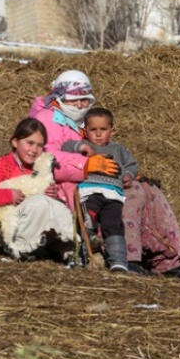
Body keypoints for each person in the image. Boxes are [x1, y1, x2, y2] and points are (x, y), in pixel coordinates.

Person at [29, 69, 180, 279]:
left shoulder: (82, 120)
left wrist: (125, 172)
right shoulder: (48, 119)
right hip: (71, 186)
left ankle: (166, 259)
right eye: (75, 100)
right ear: (60, 96)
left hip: (96, 178)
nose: (81, 105)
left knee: (148, 191)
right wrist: (86, 165)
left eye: (85, 99)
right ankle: (128, 257)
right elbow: (45, 157)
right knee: (130, 194)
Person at [0, 117, 75, 262]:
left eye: (40, 145)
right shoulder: (5, 165)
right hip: (7, 226)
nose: (34, 150)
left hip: (33, 226)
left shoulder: (41, 168)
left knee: (55, 206)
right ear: (15, 142)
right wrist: (8, 195)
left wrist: (52, 196)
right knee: (39, 203)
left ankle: (70, 245)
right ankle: (18, 247)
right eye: (29, 143)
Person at [62, 107, 137, 273]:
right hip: (89, 191)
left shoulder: (118, 149)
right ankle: (79, 256)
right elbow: (65, 148)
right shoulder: (85, 146)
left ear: (112, 130)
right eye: (93, 129)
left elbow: (132, 165)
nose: (98, 134)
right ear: (85, 131)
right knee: (86, 221)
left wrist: (128, 175)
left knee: (114, 225)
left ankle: (118, 261)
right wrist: (79, 146)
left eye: (103, 129)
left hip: (113, 194)